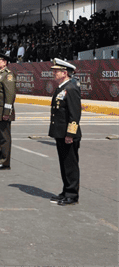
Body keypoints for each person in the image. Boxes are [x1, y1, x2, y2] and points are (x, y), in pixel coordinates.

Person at [49, 58, 82, 206]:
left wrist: (70, 134)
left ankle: (72, 195)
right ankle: (66, 190)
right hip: (60, 133)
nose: (54, 73)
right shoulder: (62, 87)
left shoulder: (72, 88)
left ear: (65, 73)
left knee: (70, 165)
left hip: (68, 134)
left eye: (56, 71)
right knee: (64, 164)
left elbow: (74, 114)